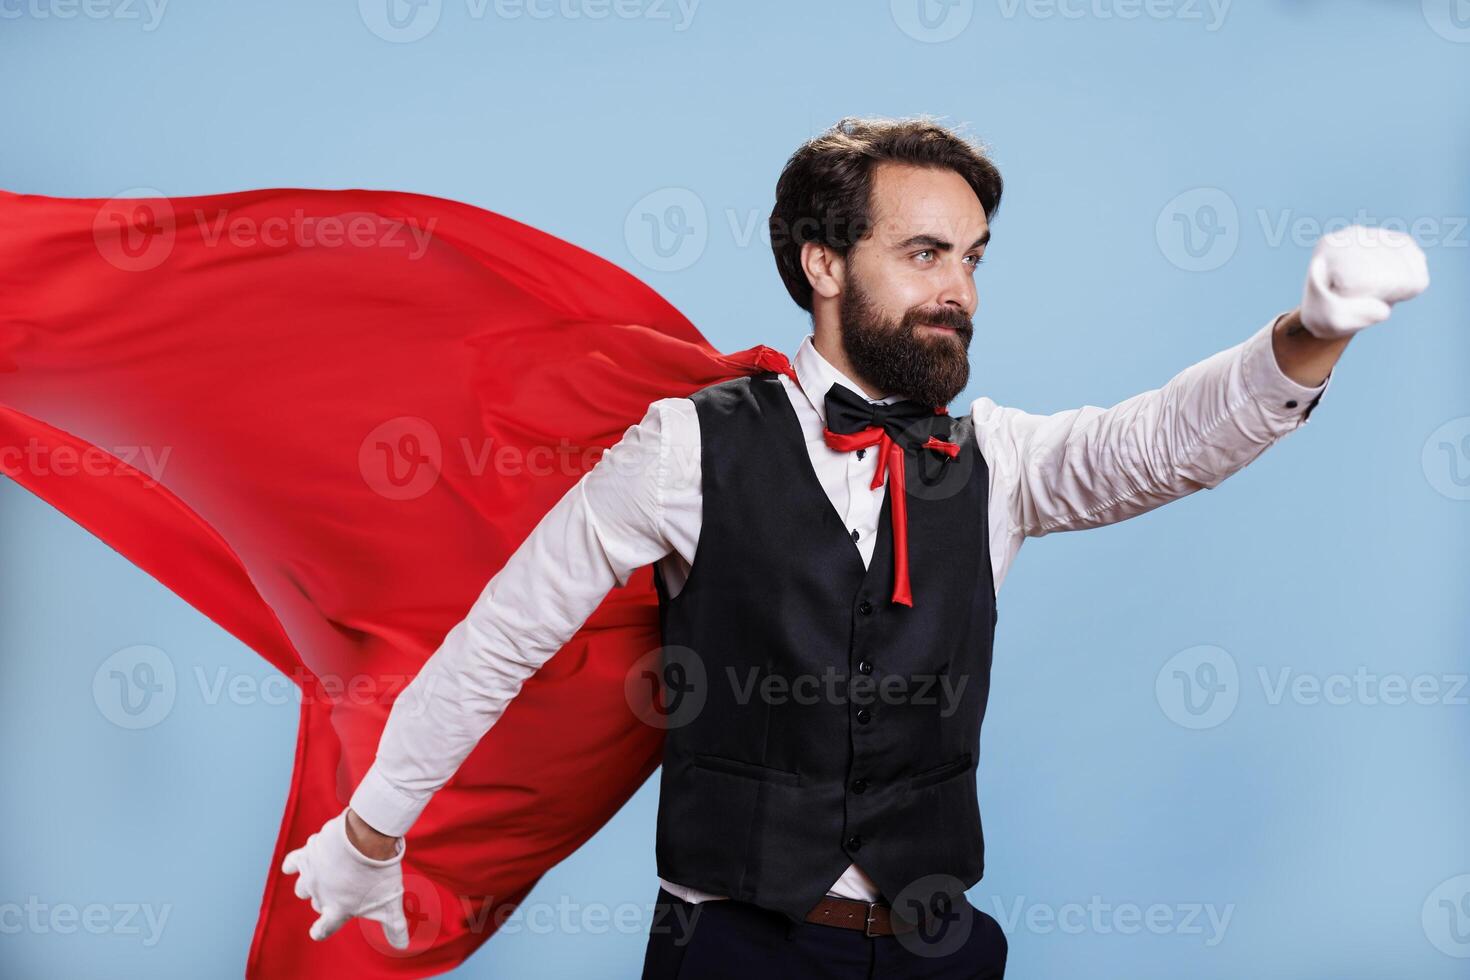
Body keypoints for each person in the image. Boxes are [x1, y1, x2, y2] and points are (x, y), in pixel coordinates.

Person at [280, 116, 1429, 978]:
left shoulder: (1003, 462)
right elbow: (503, 639)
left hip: (935, 946)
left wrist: (1307, 333)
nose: (961, 290)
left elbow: (1164, 442)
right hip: (732, 946)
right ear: (823, 265)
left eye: (975, 257)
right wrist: (372, 833)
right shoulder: (685, 448)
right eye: (926, 253)